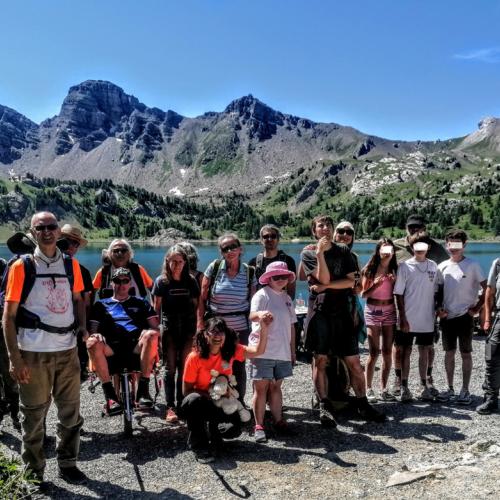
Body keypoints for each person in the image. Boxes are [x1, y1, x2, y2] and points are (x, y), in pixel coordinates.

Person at [2, 212, 88, 485]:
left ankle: (68, 463)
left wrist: (83, 327)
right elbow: (9, 317)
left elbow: (78, 300)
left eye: (52, 227)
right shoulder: (21, 266)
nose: (48, 232)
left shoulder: (70, 265)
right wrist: (14, 358)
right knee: (33, 415)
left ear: (58, 232)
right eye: (41, 228)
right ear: (32, 231)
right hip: (33, 352)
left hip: (67, 351)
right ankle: (34, 471)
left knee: (70, 412)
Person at [301, 215, 385, 425]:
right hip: (320, 313)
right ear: (314, 231)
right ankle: (324, 405)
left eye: (329, 225)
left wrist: (327, 287)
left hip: (343, 313)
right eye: (320, 226)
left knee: (354, 361)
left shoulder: (345, 251)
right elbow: (324, 278)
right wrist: (320, 254)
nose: (325, 229)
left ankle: (362, 403)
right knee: (320, 360)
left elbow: (351, 283)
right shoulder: (308, 252)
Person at [182, 316, 269, 463]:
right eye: (213, 332)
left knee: (232, 429)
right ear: (205, 334)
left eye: (221, 332)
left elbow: (258, 351)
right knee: (192, 400)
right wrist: (211, 395)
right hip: (203, 403)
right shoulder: (194, 357)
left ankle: (213, 433)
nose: (218, 336)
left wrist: (264, 327)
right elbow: (187, 391)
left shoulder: (231, 350)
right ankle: (199, 446)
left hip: (224, 402)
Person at [87, 268, 160, 413]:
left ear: (130, 284)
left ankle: (143, 391)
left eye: (125, 281)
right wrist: (95, 335)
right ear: (111, 284)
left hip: (135, 346)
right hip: (111, 348)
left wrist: (148, 331)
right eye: (117, 281)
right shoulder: (101, 304)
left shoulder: (141, 303)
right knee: (92, 341)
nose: (121, 284)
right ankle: (110, 396)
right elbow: (93, 330)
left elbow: (156, 329)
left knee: (151, 335)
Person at [392, 214, 448, 397]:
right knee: (401, 348)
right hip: (402, 309)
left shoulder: (436, 252)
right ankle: (399, 381)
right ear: (406, 228)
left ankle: (427, 380)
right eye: (411, 227)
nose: (415, 230)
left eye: (419, 227)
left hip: (427, 313)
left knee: (427, 348)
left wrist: (440, 306)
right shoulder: (396, 246)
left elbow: (442, 281)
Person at [197, 233, 256, 403]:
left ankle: (239, 402)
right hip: (215, 328)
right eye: (225, 248)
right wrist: (200, 324)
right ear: (221, 252)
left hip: (240, 329)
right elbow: (202, 299)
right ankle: (215, 402)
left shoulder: (249, 272)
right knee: (214, 365)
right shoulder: (214, 268)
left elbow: (253, 303)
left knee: (238, 367)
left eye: (233, 247)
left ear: (240, 249)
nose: (229, 251)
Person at [248, 261, 297, 443]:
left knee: (276, 387)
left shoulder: (287, 298)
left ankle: (278, 421)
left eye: (283, 276)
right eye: (276, 276)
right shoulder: (262, 295)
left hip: (282, 352)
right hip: (262, 350)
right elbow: (251, 315)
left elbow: (292, 326)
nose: (280, 279)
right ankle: (259, 425)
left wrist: (292, 351)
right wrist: (261, 315)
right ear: (268, 278)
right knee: (261, 389)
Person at [436, 229, 486, 404]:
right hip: (447, 317)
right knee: (449, 353)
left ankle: (465, 390)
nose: (454, 247)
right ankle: (450, 388)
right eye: (450, 243)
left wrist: (476, 309)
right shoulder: (441, 266)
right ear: (446, 244)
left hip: (465, 316)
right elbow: (436, 292)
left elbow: (487, 289)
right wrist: (438, 310)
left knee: (466, 353)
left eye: (458, 243)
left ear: (465, 245)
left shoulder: (473, 265)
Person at [153, 245, 199, 423]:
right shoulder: (161, 282)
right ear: (167, 262)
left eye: (180, 261)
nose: (177, 265)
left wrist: (197, 330)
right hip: (169, 329)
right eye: (173, 261)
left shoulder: (191, 281)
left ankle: (183, 403)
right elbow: (156, 308)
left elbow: (197, 306)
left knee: (184, 367)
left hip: (188, 329)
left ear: (185, 262)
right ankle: (170, 407)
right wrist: (156, 330)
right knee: (169, 368)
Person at [361, 238, 398, 402]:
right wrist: (375, 284)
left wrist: (395, 282)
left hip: (390, 309)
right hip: (373, 310)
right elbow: (363, 294)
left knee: (388, 351)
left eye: (390, 249)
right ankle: (368, 388)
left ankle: (384, 388)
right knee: (374, 352)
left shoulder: (395, 269)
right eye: (384, 249)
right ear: (378, 251)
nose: (387, 252)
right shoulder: (370, 269)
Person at [58, 224, 94, 381]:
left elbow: (86, 304)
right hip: (47, 329)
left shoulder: (83, 271)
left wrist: (83, 328)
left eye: (76, 243)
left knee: (74, 375)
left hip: (72, 326)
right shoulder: (39, 265)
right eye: (67, 241)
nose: (71, 246)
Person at [477, 256, 500, 414]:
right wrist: (487, 318)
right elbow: (489, 292)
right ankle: (491, 398)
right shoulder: (498, 263)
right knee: (492, 356)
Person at [248, 224, 296, 299]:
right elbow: (251, 290)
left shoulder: (288, 261)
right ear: (261, 240)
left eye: (273, 236)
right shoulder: (253, 263)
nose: (270, 239)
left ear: (278, 239)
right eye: (266, 237)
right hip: (261, 306)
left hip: (281, 305)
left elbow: (291, 290)